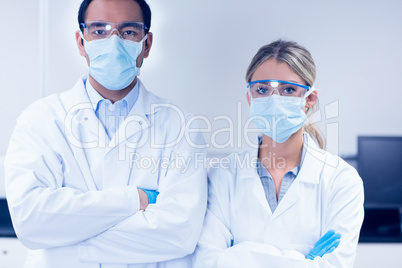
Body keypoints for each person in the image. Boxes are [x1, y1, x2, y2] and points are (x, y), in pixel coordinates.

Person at [5, 0, 207, 267]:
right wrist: (136, 198)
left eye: (128, 32)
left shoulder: (181, 126)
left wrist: (65, 246)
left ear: (146, 44)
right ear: (81, 41)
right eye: (99, 31)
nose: (114, 43)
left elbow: (178, 233)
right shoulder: (41, 119)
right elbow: (31, 222)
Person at [193, 40, 364, 267]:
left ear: (309, 99)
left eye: (288, 90)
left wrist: (237, 254)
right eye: (262, 90)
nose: (274, 100)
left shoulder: (341, 180)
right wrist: (303, 262)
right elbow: (207, 262)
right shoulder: (223, 175)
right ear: (250, 98)